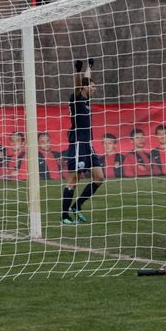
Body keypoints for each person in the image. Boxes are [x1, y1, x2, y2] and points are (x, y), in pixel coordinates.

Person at [61, 58, 105, 225]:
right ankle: (64, 216)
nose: (95, 88)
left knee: (99, 178)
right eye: (92, 86)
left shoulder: (86, 101)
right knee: (74, 179)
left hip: (88, 145)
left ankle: (77, 206)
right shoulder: (77, 98)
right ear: (85, 88)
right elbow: (79, 85)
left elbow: (85, 82)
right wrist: (78, 70)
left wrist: (89, 67)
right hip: (78, 144)